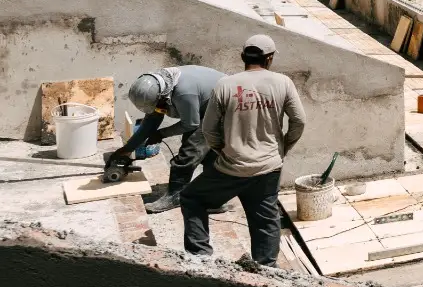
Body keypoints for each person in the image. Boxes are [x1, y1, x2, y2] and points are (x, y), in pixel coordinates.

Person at [181, 34, 306, 267]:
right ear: (269, 58)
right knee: (265, 219)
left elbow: (208, 129)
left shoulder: (225, 85)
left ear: (242, 57)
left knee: (192, 198)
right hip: (268, 167)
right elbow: (299, 121)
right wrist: (283, 148)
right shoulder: (282, 82)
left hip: (231, 167)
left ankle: (200, 257)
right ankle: (267, 270)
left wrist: (221, 150)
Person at [105, 64, 223, 213]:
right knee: (209, 155)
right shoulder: (159, 86)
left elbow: (191, 123)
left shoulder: (183, 93)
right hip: (209, 107)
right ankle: (215, 200)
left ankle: (175, 197)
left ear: (161, 96)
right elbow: (151, 122)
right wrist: (126, 150)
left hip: (223, 110)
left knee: (189, 151)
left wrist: (161, 134)